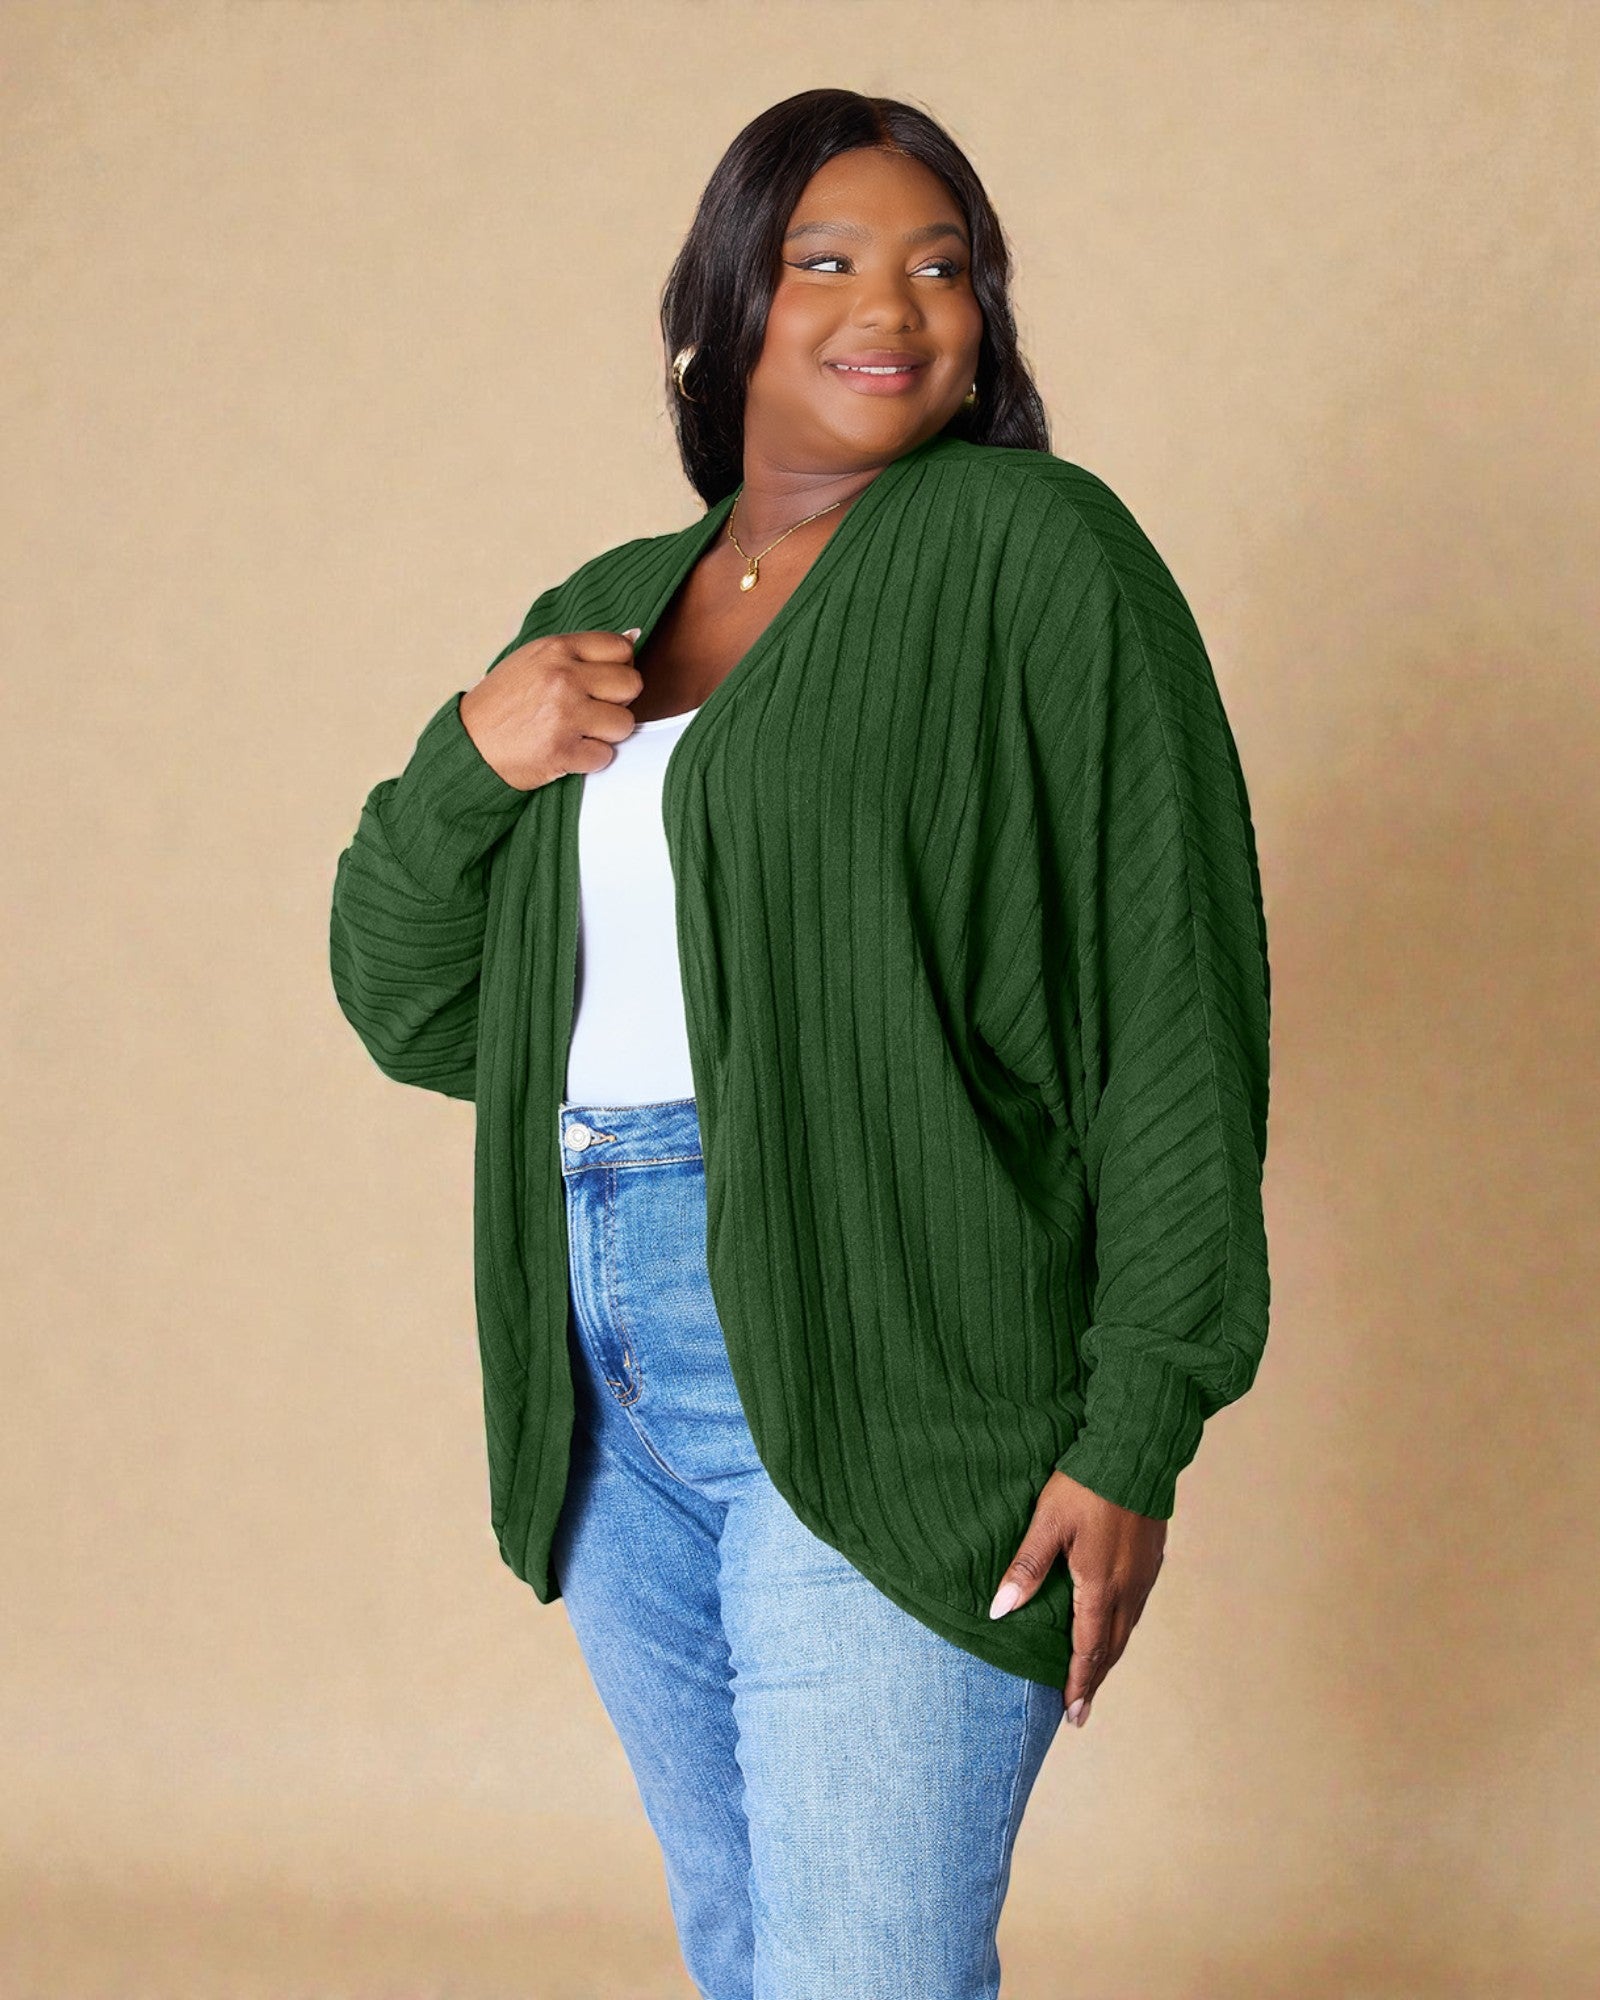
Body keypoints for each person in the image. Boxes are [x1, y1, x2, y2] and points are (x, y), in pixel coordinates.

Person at [329, 87, 1272, 2000]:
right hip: (605, 1385)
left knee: (865, 1970)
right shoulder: (600, 613)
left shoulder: (1035, 552)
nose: (895, 307)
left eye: (945, 268)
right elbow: (420, 1007)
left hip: (901, 1332)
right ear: (720, 310)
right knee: (755, 1952)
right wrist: (469, 759)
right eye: (825, 261)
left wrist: (1139, 1417)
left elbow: (1176, 993)